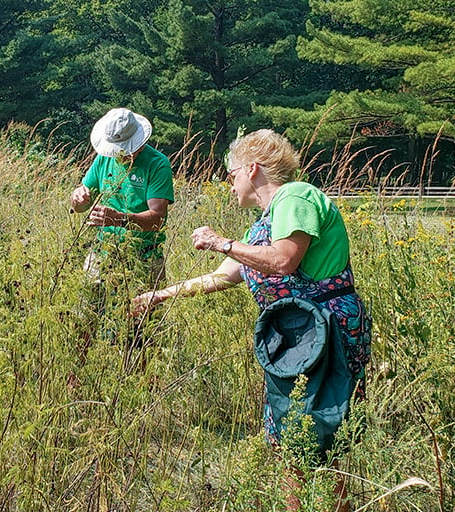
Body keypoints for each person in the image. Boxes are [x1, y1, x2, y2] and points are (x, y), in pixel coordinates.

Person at [132, 129, 370, 507]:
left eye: (231, 175)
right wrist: (159, 295)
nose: (229, 186)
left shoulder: (296, 196)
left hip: (324, 333)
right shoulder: (264, 221)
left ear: (253, 169)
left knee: (315, 436)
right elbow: (223, 276)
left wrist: (220, 242)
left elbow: (282, 260)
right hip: (294, 336)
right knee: (296, 437)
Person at [70, 108, 174, 347]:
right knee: (84, 318)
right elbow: (81, 203)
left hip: (144, 256)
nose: (121, 155)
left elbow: (157, 218)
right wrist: (78, 199)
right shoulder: (104, 158)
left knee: (142, 328)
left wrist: (120, 219)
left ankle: (143, 380)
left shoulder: (157, 164)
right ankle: (73, 381)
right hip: (102, 252)